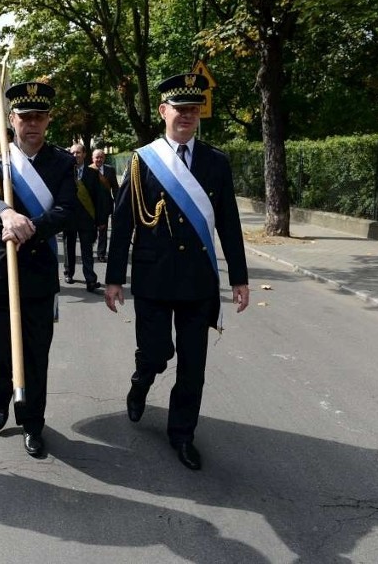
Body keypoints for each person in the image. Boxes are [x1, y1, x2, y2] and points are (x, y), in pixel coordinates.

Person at [104, 73, 250, 471]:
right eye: (179, 109)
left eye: (194, 109)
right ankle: (140, 382)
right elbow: (124, 223)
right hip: (153, 279)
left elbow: (229, 224)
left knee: (193, 365)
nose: (186, 116)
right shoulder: (141, 161)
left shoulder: (215, 161)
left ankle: (182, 434)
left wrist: (239, 277)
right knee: (156, 354)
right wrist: (115, 278)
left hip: (197, 282)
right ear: (163, 111)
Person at [0, 81, 75, 457]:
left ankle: (33, 423)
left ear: (47, 120)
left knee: (35, 355)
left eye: (39, 116)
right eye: (24, 116)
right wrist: (6, 214)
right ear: (12, 119)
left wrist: (28, 226)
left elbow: (68, 210)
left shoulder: (63, 162)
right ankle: (1, 395)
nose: (31, 123)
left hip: (36, 273)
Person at [63, 142, 105, 293]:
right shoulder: (65, 173)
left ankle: (90, 280)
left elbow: (99, 198)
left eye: (78, 153)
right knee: (69, 247)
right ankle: (69, 272)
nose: (75, 155)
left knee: (87, 250)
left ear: (85, 155)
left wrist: (101, 220)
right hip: (69, 218)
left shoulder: (92, 174)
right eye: (73, 153)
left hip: (87, 218)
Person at [90, 148, 118, 262]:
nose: (99, 159)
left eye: (101, 157)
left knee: (103, 231)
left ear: (104, 158)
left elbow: (115, 187)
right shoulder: (88, 170)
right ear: (92, 158)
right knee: (91, 231)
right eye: (97, 157)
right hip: (91, 206)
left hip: (105, 206)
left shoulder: (110, 170)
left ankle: (101, 253)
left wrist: (118, 202)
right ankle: (88, 251)